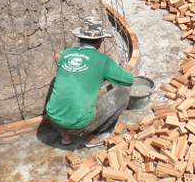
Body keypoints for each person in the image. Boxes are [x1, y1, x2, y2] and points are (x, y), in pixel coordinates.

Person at [46, 16, 134, 148]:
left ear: (80, 38)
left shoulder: (65, 54)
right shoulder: (102, 60)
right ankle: (96, 136)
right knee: (123, 93)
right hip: (79, 125)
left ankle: (65, 136)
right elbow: (129, 80)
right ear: (100, 41)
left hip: (53, 119)